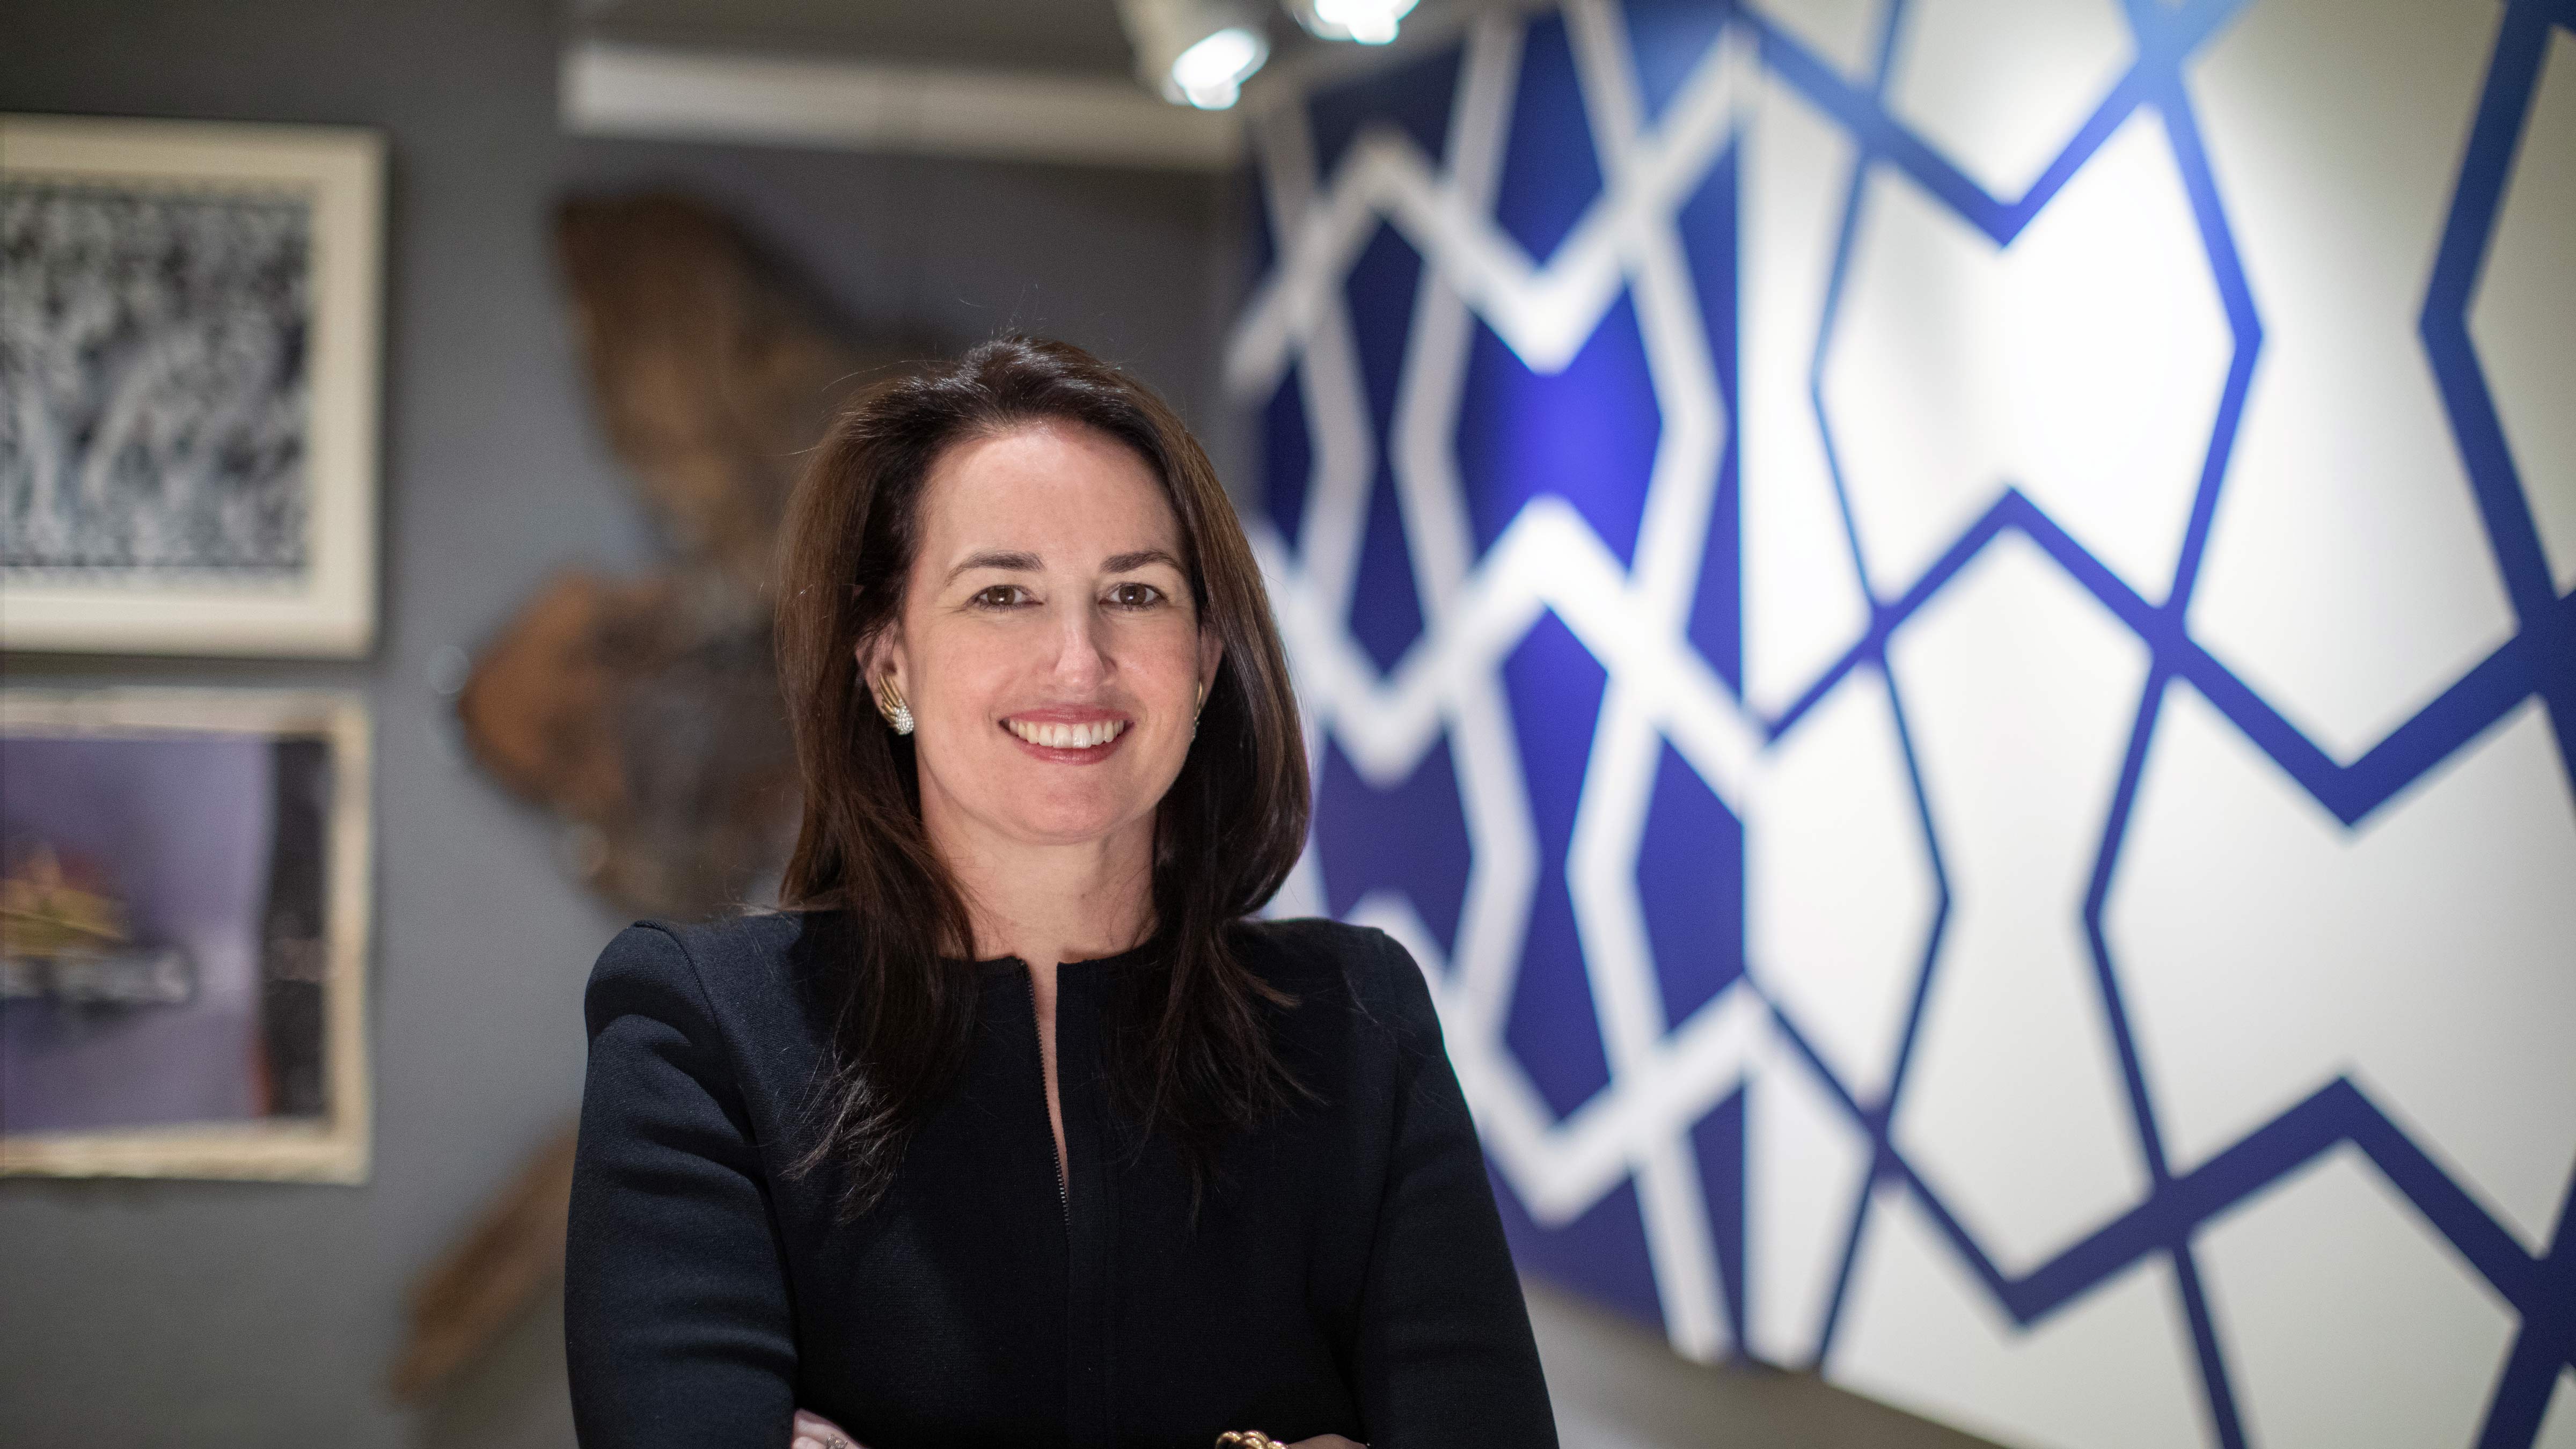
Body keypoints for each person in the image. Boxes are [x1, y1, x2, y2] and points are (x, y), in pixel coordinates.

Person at [564, 336, 1558, 1447]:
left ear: (1205, 656)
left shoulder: (1357, 1022)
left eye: (1135, 592)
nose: (1078, 663)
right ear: (887, 656)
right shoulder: (702, 1036)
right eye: (1002, 595)